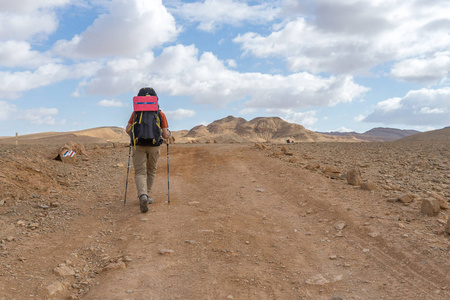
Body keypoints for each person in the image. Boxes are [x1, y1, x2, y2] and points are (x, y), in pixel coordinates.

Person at [126, 87, 169, 213]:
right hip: (154, 146)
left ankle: (142, 195)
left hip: (138, 145)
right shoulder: (160, 114)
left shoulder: (136, 113)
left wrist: (134, 136)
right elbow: (165, 135)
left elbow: (127, 129)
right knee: (151, 171)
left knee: (140, 172)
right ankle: (147, 195)